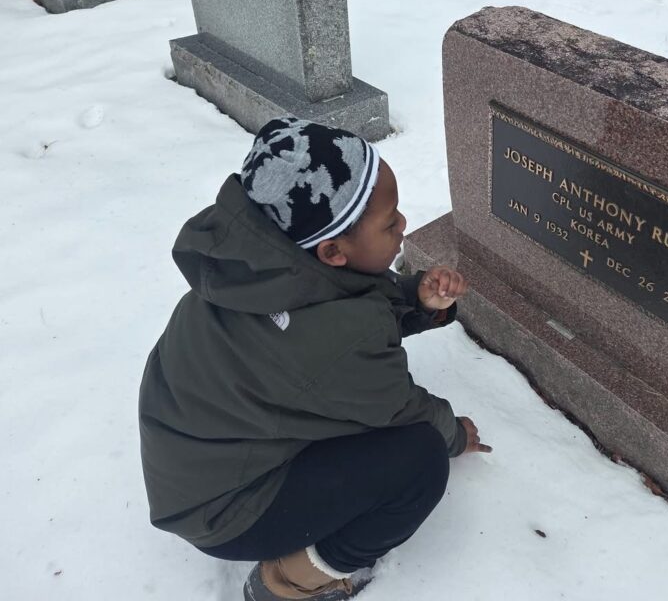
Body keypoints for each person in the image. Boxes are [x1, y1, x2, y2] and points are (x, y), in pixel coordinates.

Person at [138, 117, 491, 601]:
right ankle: (290, 581)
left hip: (206, 463)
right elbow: (396, 405)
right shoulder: (332, 337)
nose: (404, 224)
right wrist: (453, 434)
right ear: (331, 251)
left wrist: (415, 298)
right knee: (420, 461)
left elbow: (337, 316)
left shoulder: (258, 270)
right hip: (230, 511)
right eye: (390, 223)